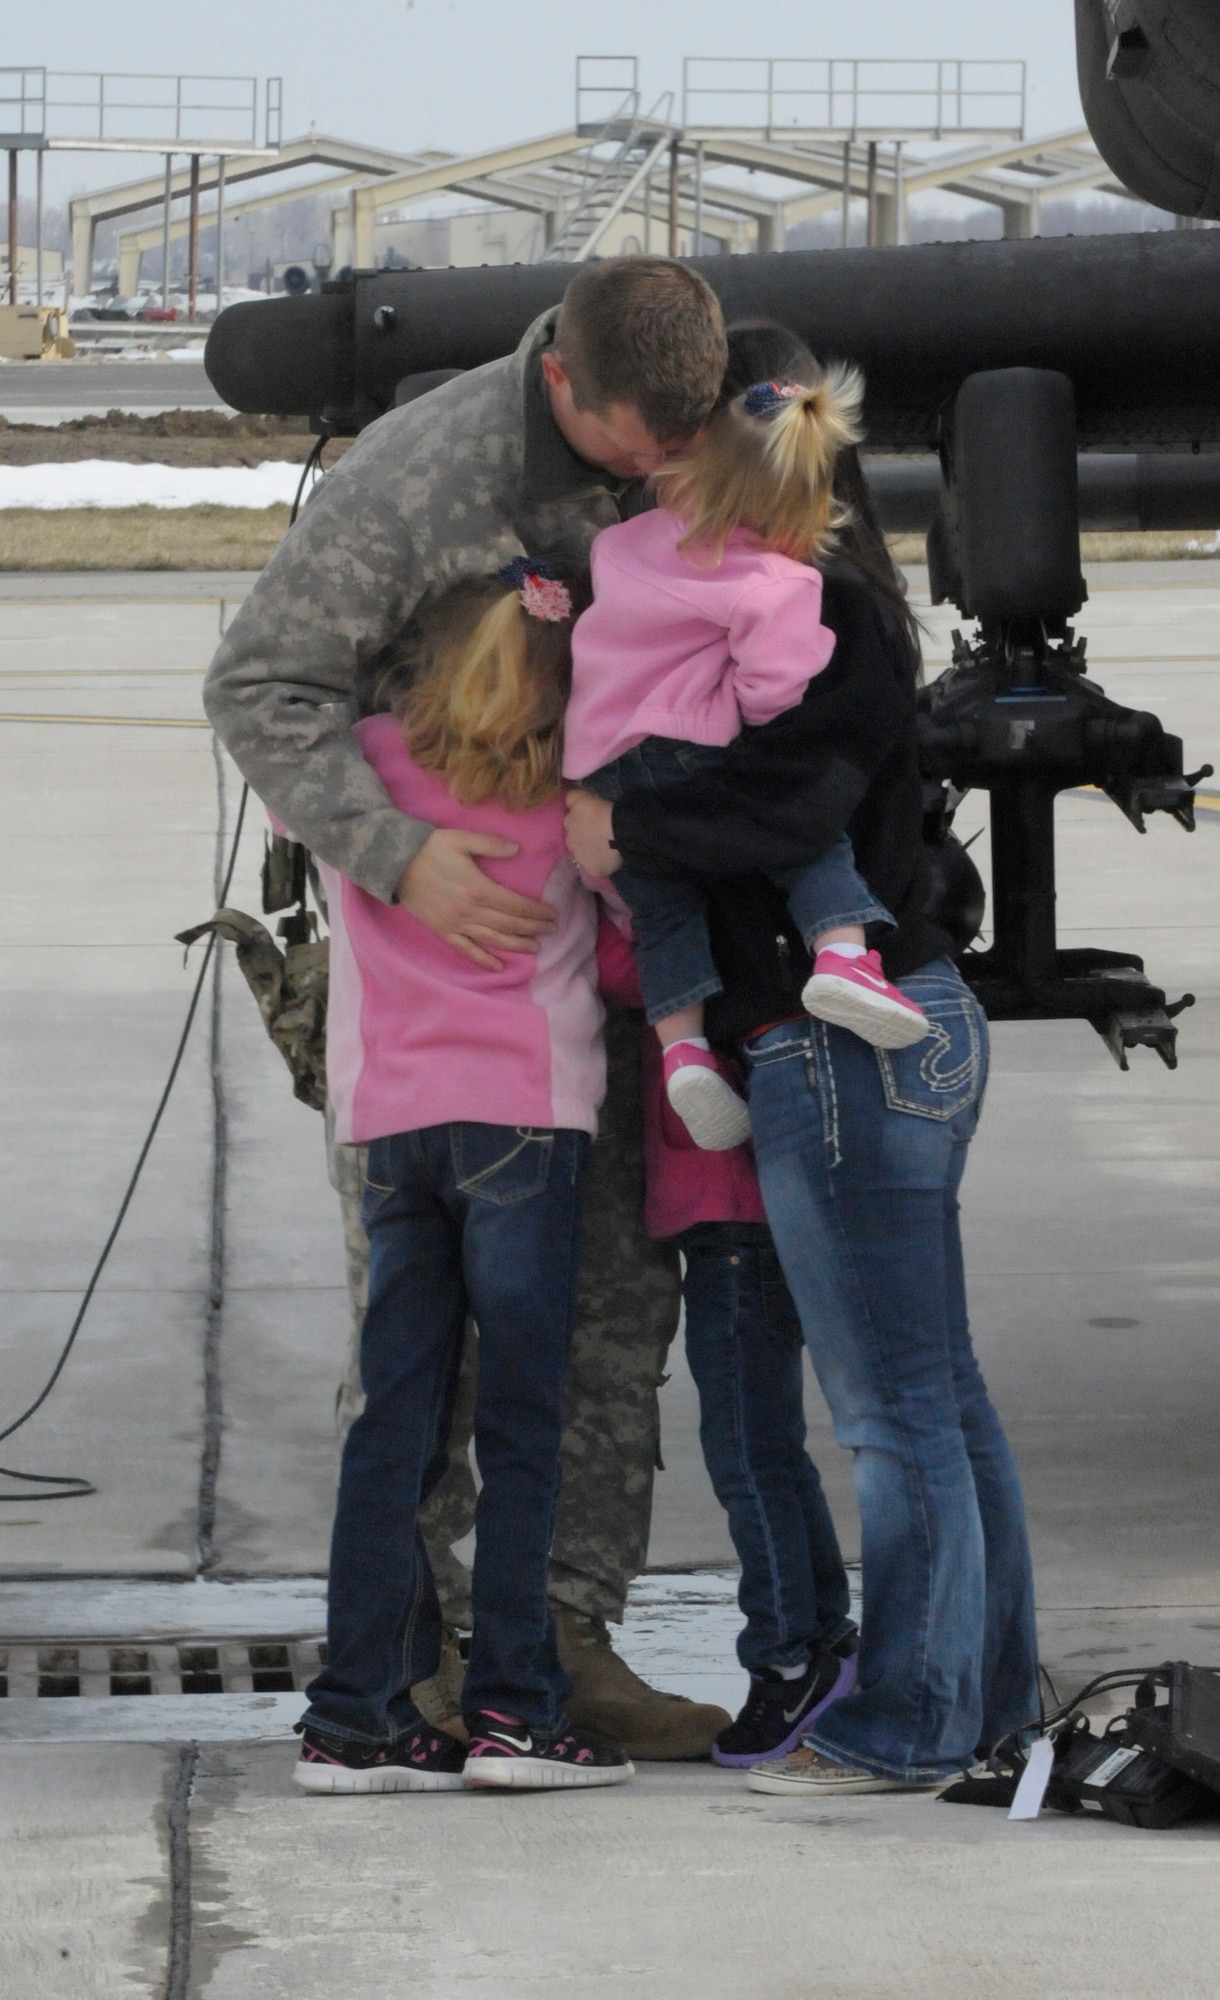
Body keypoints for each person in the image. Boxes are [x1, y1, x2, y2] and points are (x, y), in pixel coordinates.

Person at [204, 257, 731, 1759]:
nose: (653, 477)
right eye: (632, 446)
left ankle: (562, 1642)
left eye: (674, 450)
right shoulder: (418, 478)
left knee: (611, 1325)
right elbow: (261, 685)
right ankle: (416, 1656)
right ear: (562, 381)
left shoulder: (692, 442)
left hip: (615, 977)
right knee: (419, 1358)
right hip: (434, 984)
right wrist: (397, 856)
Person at [565, 319, 1040, 1797]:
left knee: (893, 1418)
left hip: (845, 1053)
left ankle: (901, 1719)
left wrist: (623, 832)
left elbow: (777, 809)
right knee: (937, 1396)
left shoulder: (811, 609)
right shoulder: (804, 596)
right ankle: (982, 1688)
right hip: (888, 1041)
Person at [298, 564, 633, 1793]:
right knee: (521, 1425)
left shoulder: (368, 762)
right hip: (523, 1126)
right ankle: (515, 1709)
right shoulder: (563, 796)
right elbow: (628, 893)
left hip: (392, 1126)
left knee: (395, 1421)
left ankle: (356, 1711)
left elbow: (287, 796)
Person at [564, 367, 929, 1152]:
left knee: (664, 914)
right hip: (688, 745)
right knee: (810, 847)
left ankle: (684, 1051)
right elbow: (772, 695)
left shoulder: (619, 545)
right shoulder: (777, 582)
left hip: (599, 761)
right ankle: (840, 957)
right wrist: (753, 713)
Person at [605, 907, 859, 1767]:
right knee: (768, 1448)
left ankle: (787, 1657)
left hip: (735, 1224)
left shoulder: (671, 916)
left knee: (747, 1451)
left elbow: (618, 969)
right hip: (738, 1223)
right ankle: (824, 1637)